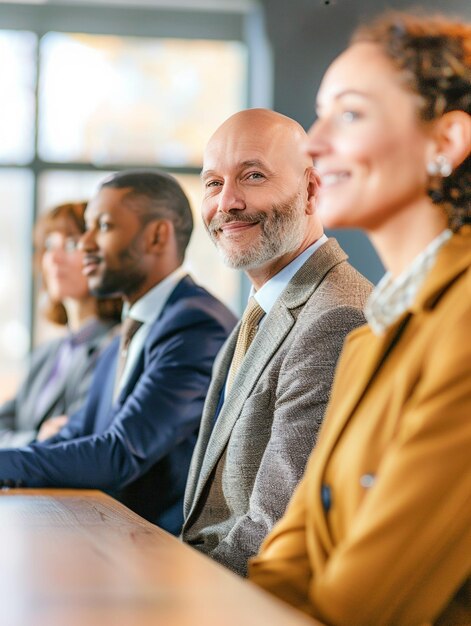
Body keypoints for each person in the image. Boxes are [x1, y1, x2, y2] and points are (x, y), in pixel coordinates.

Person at [249, 12, 471, 626]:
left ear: (446, 143)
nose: (314, 142)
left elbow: (367, 601)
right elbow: (292, 551)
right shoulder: (370, 335)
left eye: (349, 114)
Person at [182, 108, 371, 575]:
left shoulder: (337, 317)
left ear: (312, 190)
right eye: (212, 183)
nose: (227, 202)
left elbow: (275, 526)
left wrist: (178, 600)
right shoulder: (265, 306)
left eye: (252, 175)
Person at [0, 170, 236, 535]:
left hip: (166, 552)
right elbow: (75, 436)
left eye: (104, 227)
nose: (86, 244)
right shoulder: (126, 334)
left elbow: (122, 452)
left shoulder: (194, 324)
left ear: (158, 236)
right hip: (112, 534)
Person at [0, 202, 121, 448]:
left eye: (70, 244)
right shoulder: (46, 353)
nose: (53, 258)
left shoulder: (116, 347)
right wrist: (34, 439)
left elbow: (71, 441)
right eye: (48, 245)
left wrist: (22, 441)